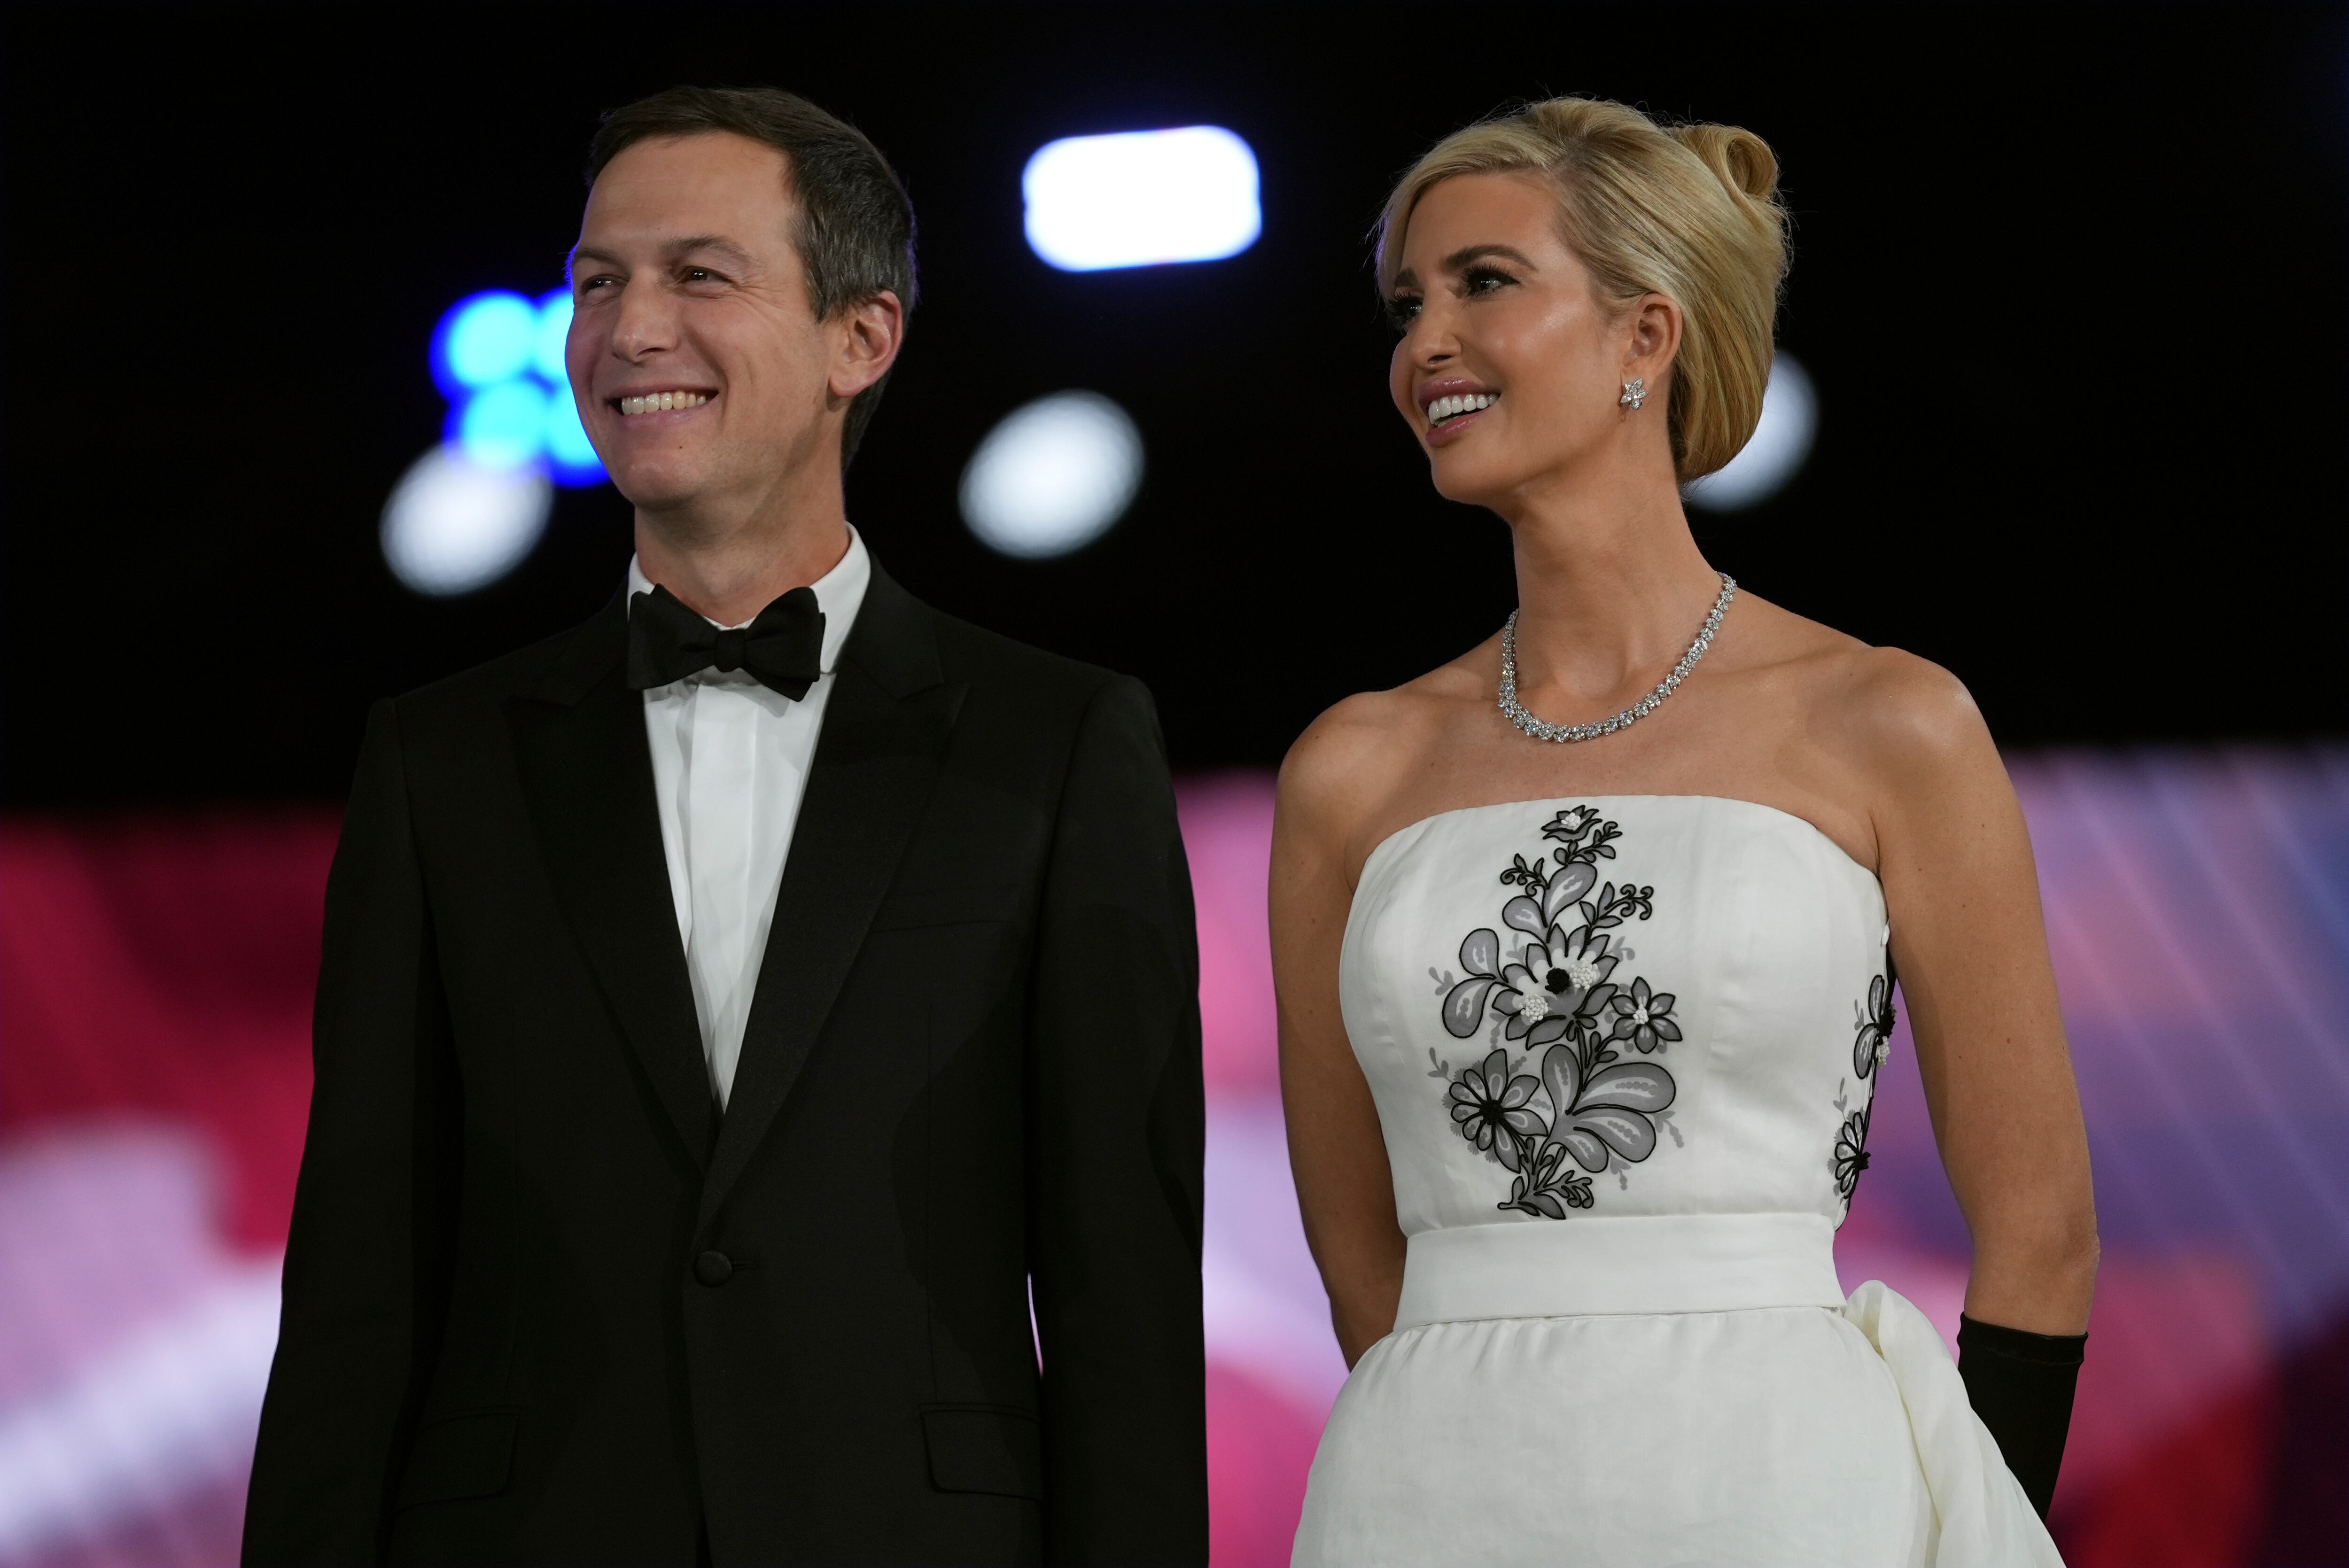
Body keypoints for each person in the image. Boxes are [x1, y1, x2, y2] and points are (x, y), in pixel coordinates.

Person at [243, 86, 1207, 1567]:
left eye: (699, 274)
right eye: (597, 281)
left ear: (860, 339)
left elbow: (1120, 1283)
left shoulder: (1061, 741)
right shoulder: (437, 759)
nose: (630, 329)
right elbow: (362, 1273)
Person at [1272, 97, 2096, 1566]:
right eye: (1410, 303)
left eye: (1484, 283)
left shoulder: (1887, 720)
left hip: (1788, 1485)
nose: (1424, 345)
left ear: (1646, 336)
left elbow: (2039, 1230)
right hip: (1426, 1487)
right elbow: (1357, 1256)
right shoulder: (1352, 767)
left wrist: (1989, 1531)